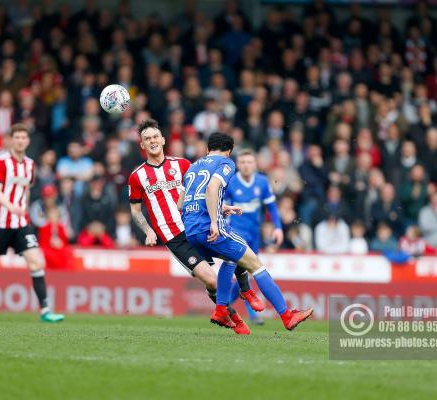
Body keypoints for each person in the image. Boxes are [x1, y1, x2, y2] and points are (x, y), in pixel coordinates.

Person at [128, 119, 253, 335]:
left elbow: (201, 194)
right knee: (211, 280)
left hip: (196, 226)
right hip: (174, 236)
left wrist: (221, 208)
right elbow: (135, 210)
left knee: (236, 254)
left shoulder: (184, 165)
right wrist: (148, 231)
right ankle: (232, 316)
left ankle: (245, 289)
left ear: (163, 140)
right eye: (147, 138)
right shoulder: (137, 176)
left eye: (155, 136)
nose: (152, 141)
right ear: (142, 145)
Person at [180, 132, 313, 331]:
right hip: (210, 227)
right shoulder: (226, 164)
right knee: (255, 265)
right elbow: (212, 189)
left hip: (191, 231)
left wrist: (221, 208)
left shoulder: (192, 168)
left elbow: (181, 204)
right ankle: (286, 315)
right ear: (229, 152)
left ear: (208, 149)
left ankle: (222, 308)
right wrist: (215, 222)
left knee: (231, 259)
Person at [0, 124, 64, 323]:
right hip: (0, 223)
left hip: (21, 224)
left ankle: (45, 311)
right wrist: (11, 207)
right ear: (11, 140)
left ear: (27, 141)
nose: (20, 141)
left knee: (36, 261)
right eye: (16, 137)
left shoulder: (30, 165)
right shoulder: (1, 163)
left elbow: (25, 189)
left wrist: (23, 209)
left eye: (23, 137)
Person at [224, 149, 284, 325]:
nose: (246, 165)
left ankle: (225, 306)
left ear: (255, 164)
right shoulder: (231, 182)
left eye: (249, 162)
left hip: (254, 235)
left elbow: (272, 207)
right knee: (241, 272)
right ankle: (237, 310)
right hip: (236, 233)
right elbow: (221, 204)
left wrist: (278, 228)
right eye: (242, 162)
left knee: (247, 275)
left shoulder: (262, 182)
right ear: (238, 165)